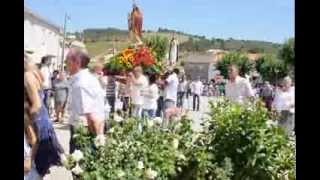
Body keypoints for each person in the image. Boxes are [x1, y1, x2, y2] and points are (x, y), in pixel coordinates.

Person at [24, 55, 64, 177]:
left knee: (36, 163)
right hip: (42, 119)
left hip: (37, 120)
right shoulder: (34, 74)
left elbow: (36, 104)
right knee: (39, 165)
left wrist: (26, 117)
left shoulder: (27, 76)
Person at [65, 48, 105, 154]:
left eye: (67, 60)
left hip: (84, 133)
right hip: (86, 130)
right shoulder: (88, 78)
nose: (65, 63)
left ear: (77, 62)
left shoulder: (81, 84)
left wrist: (97, 141)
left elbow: (90, 117)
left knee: (80, 167)